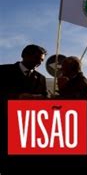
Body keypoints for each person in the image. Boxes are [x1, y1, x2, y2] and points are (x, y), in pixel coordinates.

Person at [0, 44, 48, 174]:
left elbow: (45, 98)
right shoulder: (3, 71)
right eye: (36, 58)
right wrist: (17, 97)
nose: (39, 62)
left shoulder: (41, 79)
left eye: (41, 60)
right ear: (24, 55)